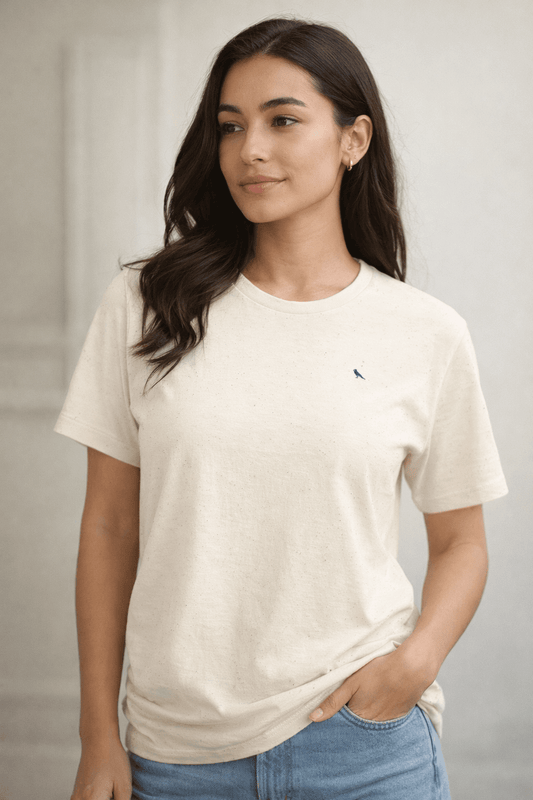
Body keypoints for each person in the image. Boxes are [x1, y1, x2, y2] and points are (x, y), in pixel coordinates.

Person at [55, 16, 508, 800]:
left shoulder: (425, 333)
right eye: (230, 127)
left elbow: (462, 542)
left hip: (364, 749)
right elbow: (108, 527)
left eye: (283, 120)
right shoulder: (147, 305)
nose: (249, 149)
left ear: (352, 140)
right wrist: (100, 737)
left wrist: (414, 664)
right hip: (177, 754)